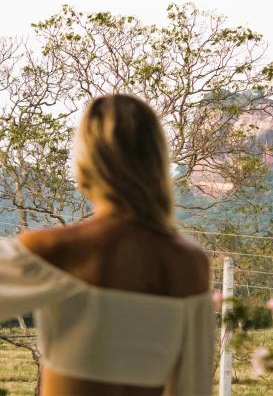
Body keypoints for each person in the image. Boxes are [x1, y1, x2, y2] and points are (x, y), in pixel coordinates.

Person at [0, 94, 215, 396]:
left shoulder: (56, 249)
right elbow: (192, 386)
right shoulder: (190, 262)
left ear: (87, 163)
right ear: (156, 162)